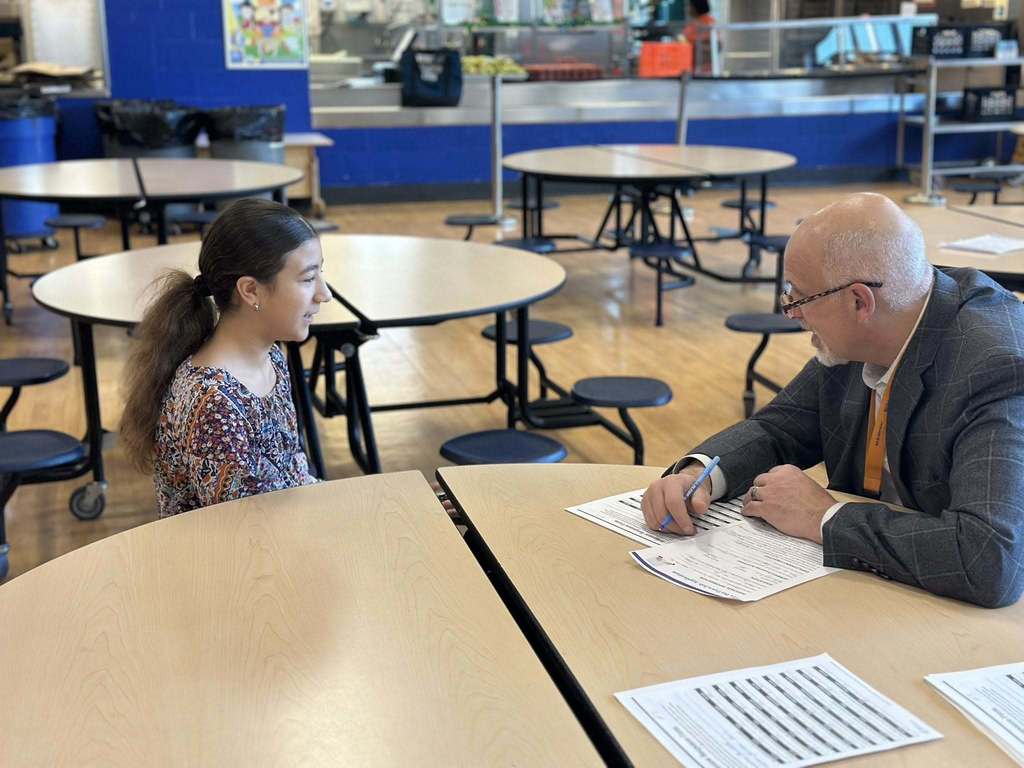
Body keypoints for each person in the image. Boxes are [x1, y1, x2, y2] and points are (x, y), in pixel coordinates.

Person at [641, 192, 1024, 608]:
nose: (791, 313)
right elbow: (779, 426)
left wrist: (822, 518)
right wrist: (699, 474)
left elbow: (990, 560)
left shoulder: (997, 367)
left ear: (859, 301)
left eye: (798, 298)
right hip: (872, 587)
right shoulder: (881, 322)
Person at [120, 198, 331, 517]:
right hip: (241, 558)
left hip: (284, 536)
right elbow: (247, 532)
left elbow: (293, 475)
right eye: (307, 278)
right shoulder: (215, 404)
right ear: (250, 291)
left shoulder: (270, 356)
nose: (323, 293)